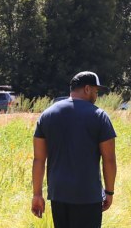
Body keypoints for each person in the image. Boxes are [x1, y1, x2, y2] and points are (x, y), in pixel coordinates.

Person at [31, 71, 117, 228]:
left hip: (58, 195)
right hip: (88, 196)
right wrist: (109, 192)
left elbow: (39, 159)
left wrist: (37, 194)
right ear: (87, 89)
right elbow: (109, 159)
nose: (96, 96)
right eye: (96, 91)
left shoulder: (47, 115)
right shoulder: (99, 116)